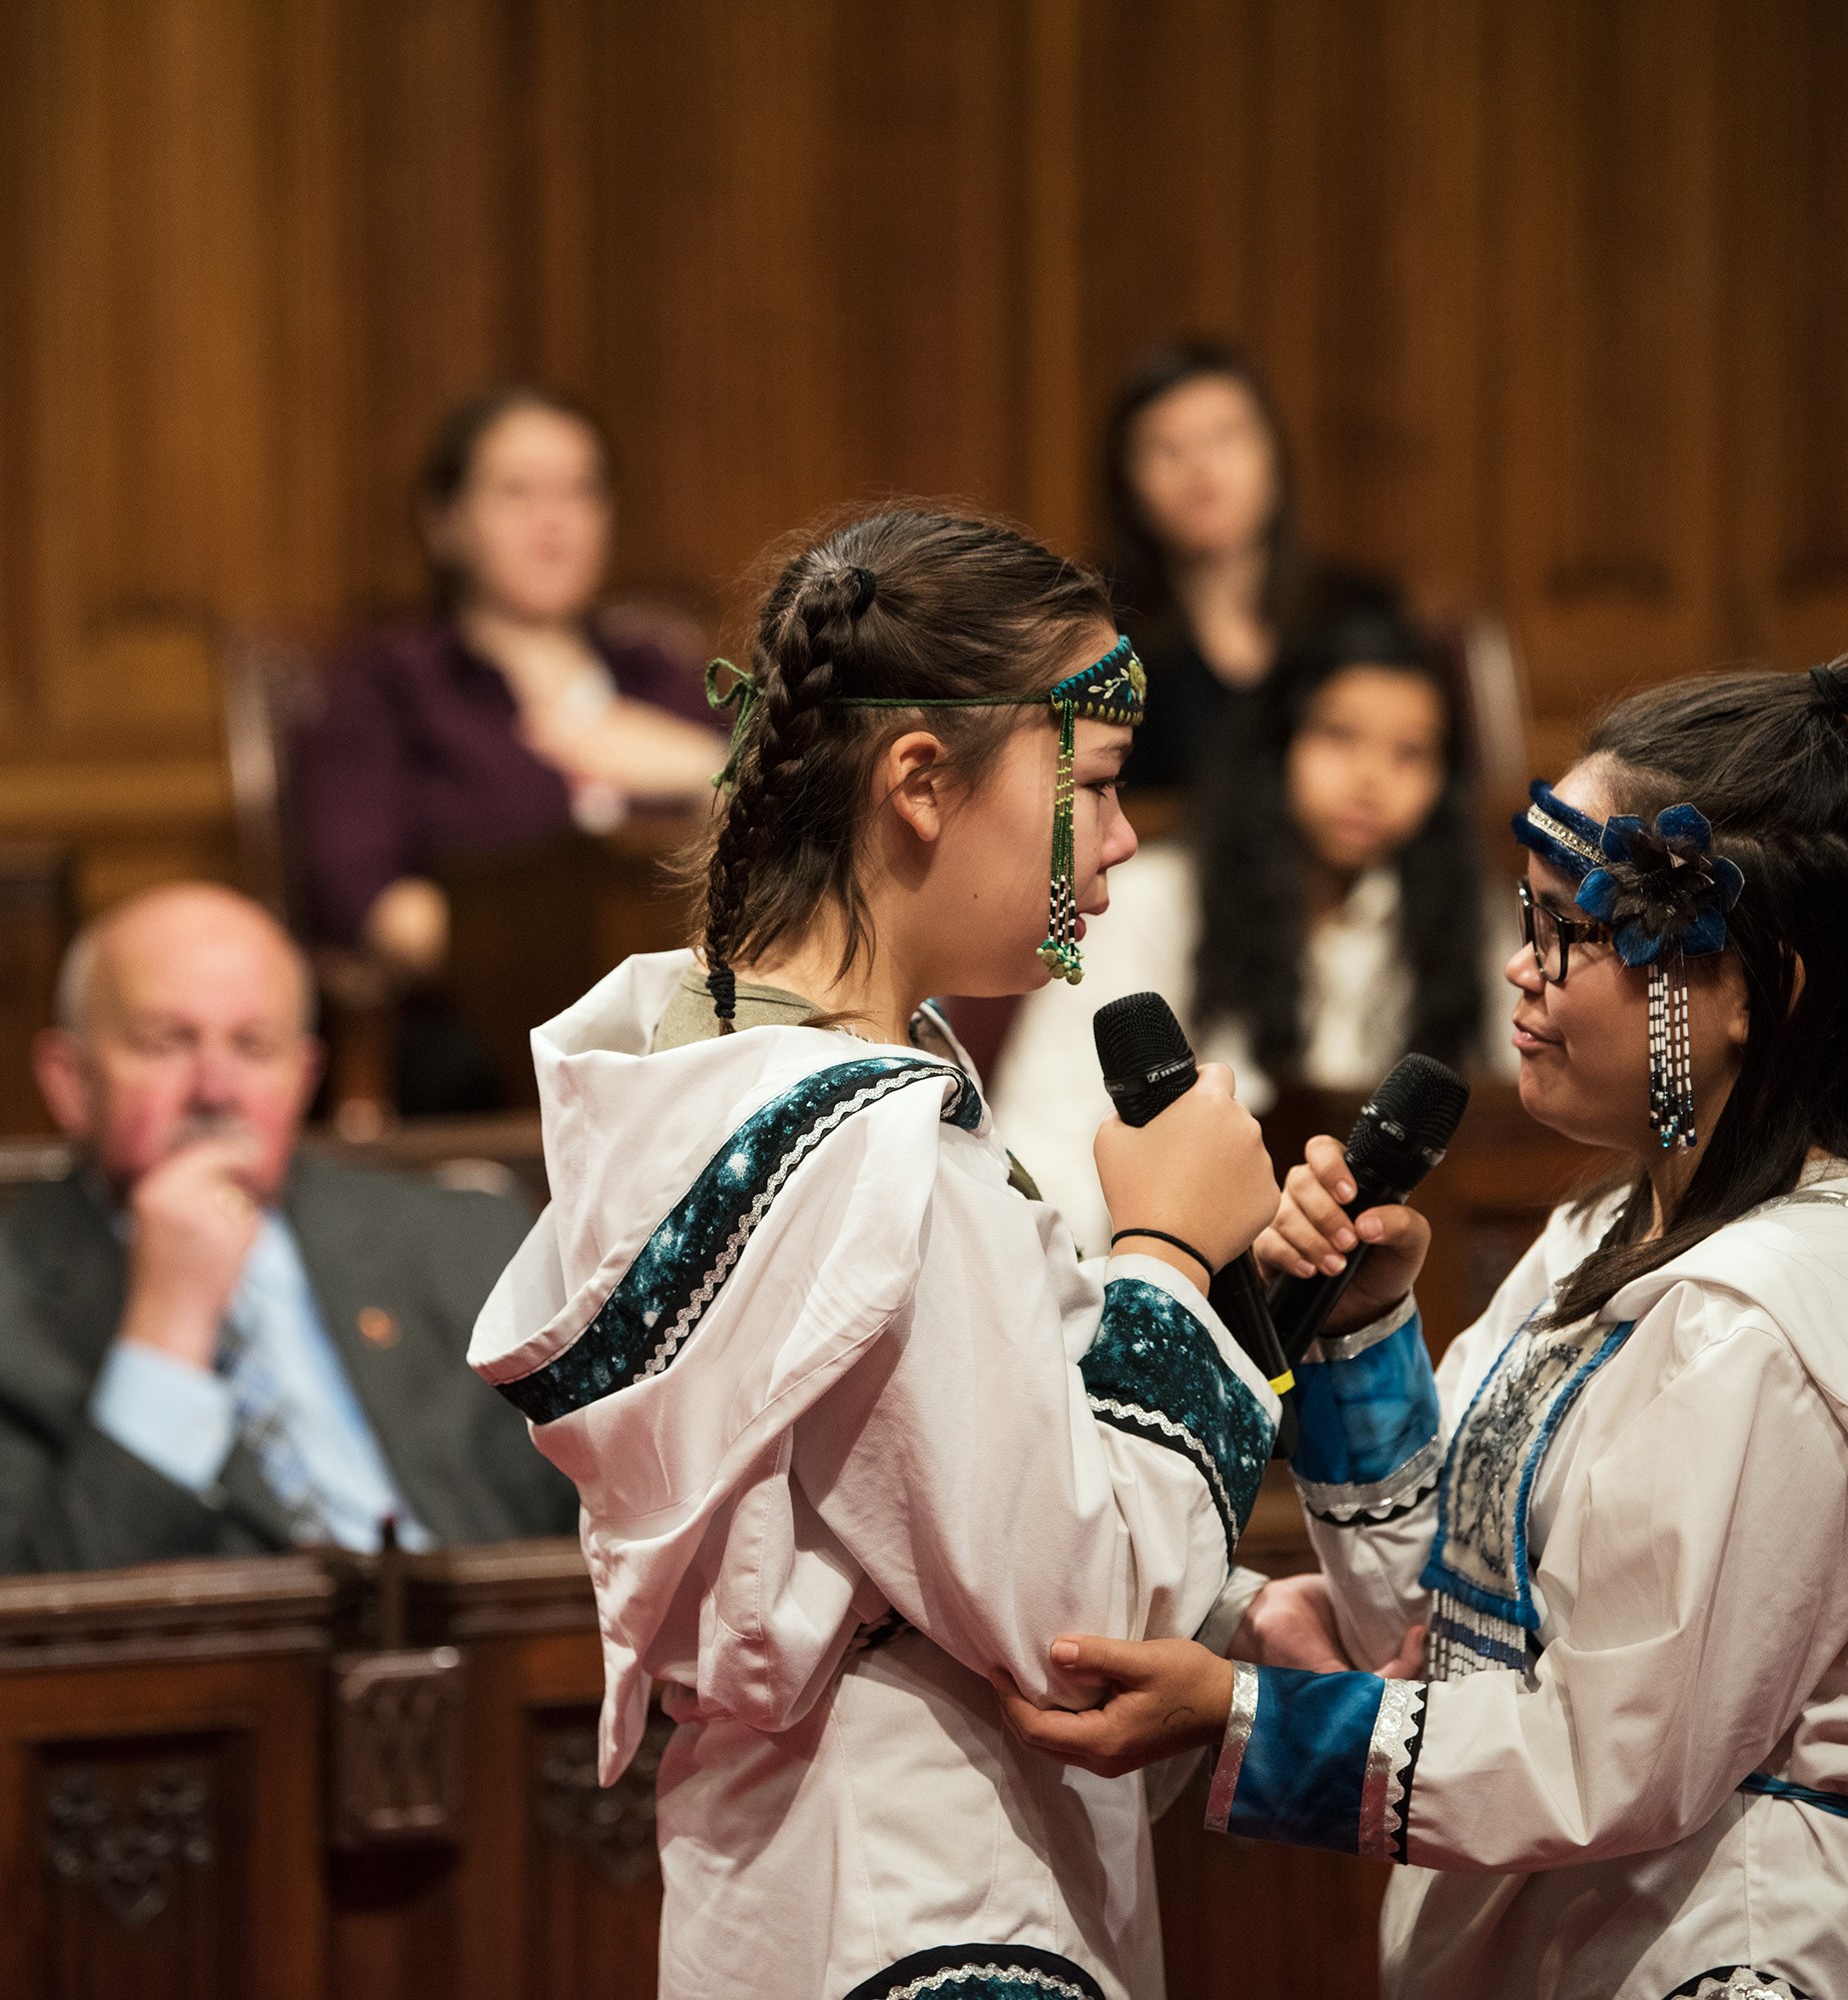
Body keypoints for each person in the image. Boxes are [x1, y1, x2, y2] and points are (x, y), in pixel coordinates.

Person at [996, 650, 1848, 1998]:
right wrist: (1361, 1333)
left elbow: (1607, 1753)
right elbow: (1429, 1627)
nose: (1518, 974)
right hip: (1568, 1928)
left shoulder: (1775, 1315)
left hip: (1722, 1943)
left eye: (1565, 934)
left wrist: (1239, 1715)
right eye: (1525, 922)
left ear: (1759, 987)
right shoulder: (1605, 1233)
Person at [466, 507, 1291, 2000]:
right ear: (920, 778)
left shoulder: (703, 1080)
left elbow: (930, 1522)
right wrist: (1168, 1253)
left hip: (795, 1871)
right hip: (941, 1888)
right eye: (1092, 788)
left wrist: (1247, 1625)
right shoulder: (874, 1158)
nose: (1120, 842)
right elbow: (1079, 1617)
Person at [0, 882, 574, 1577]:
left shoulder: (466, 1241)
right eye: (167, 1042)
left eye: (253, 1047)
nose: (214, 1088)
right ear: (70, 1080)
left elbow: (610, 1522)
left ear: (303, 1076)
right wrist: (167, 1332)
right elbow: (29, 1649)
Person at [991, 604, 1513, 1244]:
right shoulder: (1155, 902)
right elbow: (1047, 1142)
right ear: (1278, 744)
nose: (1371, 778)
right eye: (1340, 736)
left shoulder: (1469, 926)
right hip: (1163, 1270)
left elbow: (1508, 1151)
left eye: (1411, 753)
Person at [288, 385, 725, 1109]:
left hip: (686, 1031)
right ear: (447, 524)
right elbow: (370, 903)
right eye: (518, 493)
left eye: (580, 491)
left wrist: (697, 763)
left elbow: (778, 849)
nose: (553, 522)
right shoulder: (387, 685)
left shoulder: (659, 675)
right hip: (474, 1039)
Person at [1100, 339, 1401, 796]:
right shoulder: (1101, 629)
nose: (1201, 468)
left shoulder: (1360, 614)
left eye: (1225, 437)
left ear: (1274, 456)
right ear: (1128, 483)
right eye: (1167, 447)